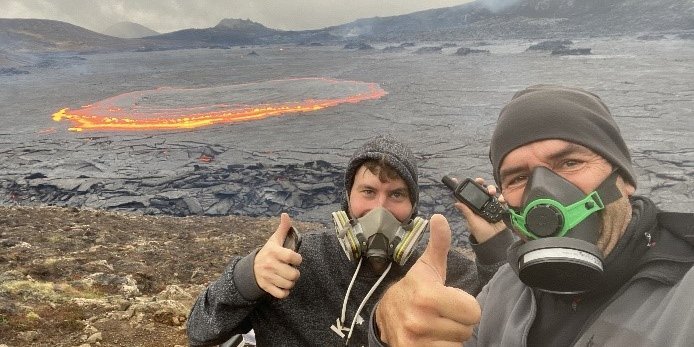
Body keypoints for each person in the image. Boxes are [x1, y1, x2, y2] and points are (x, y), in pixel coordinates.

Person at [369, 85, 694, 346]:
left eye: (570, 163)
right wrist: (388, 327)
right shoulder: (506, 289)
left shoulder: (684, 300)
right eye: (518, 178)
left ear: (623, 180)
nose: (543, 192)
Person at [186, 134, 513, 346]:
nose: (379, 209)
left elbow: (512, 320)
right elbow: (200, 331)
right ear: (348, 197)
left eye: (396, 194)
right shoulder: (299, 259)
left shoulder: (443, 273)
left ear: (413, 207)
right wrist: (247, 277)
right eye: (368, 192)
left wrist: (496, 247)